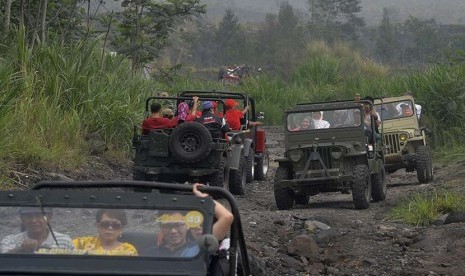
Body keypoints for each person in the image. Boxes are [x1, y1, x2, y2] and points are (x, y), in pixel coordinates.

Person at [0, 207, 74, 253]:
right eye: (29, 216)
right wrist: (22, 249)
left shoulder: (65, 241)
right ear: (22, 219)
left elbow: (73, 265)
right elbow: (4, 263)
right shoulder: (10, 241)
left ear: (49, 217)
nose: (34, 220)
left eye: (39, 215)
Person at [73, 209, 137, 256]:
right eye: (105, 224)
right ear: (98, 226)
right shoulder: (82, 243)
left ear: (121, 229)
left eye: (115, 225)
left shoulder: (128, 250)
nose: (110, 228)